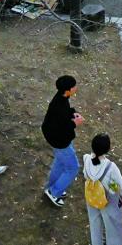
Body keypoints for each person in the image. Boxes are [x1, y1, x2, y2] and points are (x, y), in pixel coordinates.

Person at [42, 74, 83, 206]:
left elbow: (64, 114)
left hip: (55, 138)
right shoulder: (59, 106)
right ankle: (54, 192)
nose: (76, 88)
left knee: (59, 163)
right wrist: (75, 123)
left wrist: (72, 113)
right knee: (73, 168)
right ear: (68, 90)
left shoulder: (61, 97)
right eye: (74, 86)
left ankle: (52, 186)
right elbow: (62, 127)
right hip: (60, 141)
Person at [83, 133, 122, 245]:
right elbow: (121, 186)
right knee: (112, 228)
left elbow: (85, 175)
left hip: (91, 198)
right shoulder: (111, 167)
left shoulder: (86, 158)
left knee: (94, 225)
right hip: (107, 200)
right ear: (107, 149)